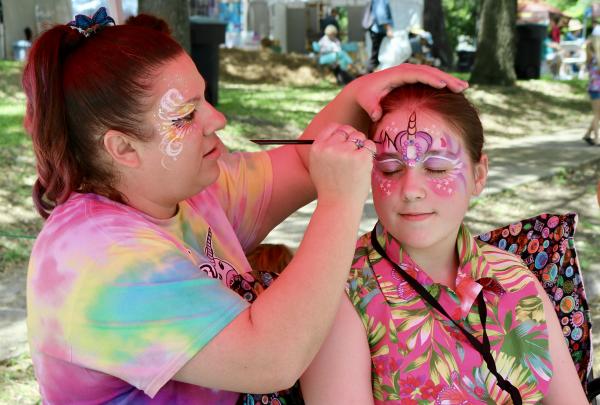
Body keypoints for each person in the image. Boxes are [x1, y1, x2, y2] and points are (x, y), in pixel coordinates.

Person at [23, 7, 467, 404]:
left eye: (206, 98)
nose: (218, 119)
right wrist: (339, 201)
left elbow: (298, 160)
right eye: (187, 115)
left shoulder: (186, 191)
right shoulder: (97, 261)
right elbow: (271, 359)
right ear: (122, 148)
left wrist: (360, 94)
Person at [300, 84, 588, 404]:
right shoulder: (342, 293)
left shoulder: (514, 278)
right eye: (391, 169)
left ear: (479, 175)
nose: (411, 189)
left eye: (436, 168)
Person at [364, 0, 393, 73]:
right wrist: (388, 29)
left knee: (376, 57)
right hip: (379, 31)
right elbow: (381, 15)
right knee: (377, 58)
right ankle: (369, 79)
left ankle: (370, 77)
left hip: (377, 31)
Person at [584, 25, 600, 145]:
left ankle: (588, 134)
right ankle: (596, 138)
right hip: (596, 88)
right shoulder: (595, 56)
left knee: (598, 113)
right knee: (597, 113)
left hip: (594, 87)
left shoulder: (590, 53)